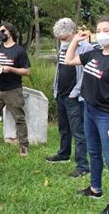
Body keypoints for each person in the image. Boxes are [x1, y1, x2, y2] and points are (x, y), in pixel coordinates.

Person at [64, 17, 109, 214]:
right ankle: (95, 189)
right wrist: (76, 40)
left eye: (106, 30)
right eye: (98, 30)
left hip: (106, 116)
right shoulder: (94, 53)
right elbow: (69, 60)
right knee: (93, 152)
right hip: (90, 110)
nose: (101, 33)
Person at [46, 18, 91, 178]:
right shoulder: (63, 46)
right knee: (63, 128)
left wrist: (75, 92)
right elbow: (61, 69)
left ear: (72, 33)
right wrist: (56, 90)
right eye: (59, 37)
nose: (61, 40)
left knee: (78, 132)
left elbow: (86, 73)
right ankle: (63, 154)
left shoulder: (85, 47)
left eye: (64, 37)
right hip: (61, 95)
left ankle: (83, 165)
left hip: (75, 97)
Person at [0, 22, 31, 156]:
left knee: (19, 118)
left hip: (13, 89)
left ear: (10, 32)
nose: (1, 34)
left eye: (3, 31)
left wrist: (10, 69)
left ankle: (23, 145)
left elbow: (27, 71)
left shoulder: (19, 51)